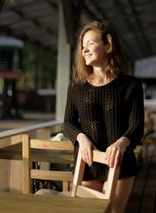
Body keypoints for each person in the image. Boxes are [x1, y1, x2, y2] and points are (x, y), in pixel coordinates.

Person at [64, 21, 144, 213]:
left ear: (108, 45)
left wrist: (121, 143)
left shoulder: (130, 86)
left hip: (120, 163)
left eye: (90, 43)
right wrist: (81, 139)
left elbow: (137, 126)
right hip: (88, 164)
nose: (84, 50)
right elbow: (68, 122)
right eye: (83, 46)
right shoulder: (77, 86)